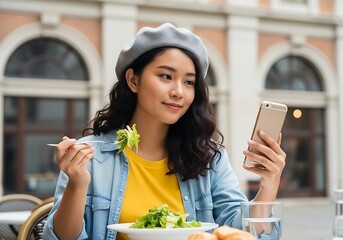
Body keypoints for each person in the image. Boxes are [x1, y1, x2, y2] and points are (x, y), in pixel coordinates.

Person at [43, 23, 286, 240]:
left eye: (189, 82)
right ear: (133, 81)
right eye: (166, 76)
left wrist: (268, 184)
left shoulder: (210, 158)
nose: (179, 91)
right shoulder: (90, 155)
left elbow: (241, 233)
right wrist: (77, 183)